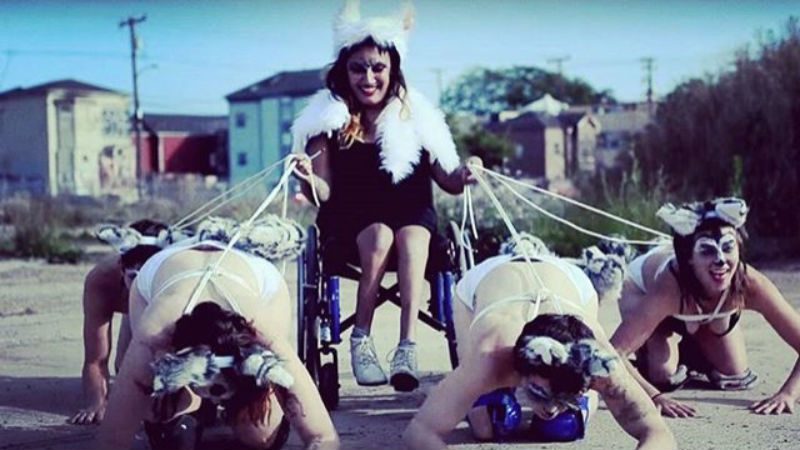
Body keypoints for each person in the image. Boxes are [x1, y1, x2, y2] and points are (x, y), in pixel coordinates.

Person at [291, 0, 479, 392]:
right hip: (350, 222)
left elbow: (448, 178)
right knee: (379, 235)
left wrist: (467, 171)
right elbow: (321, 193)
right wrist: (308, 177)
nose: (368, 77)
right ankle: (361, 339)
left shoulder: (417, 117)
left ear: (393, 70)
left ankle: (406, 347)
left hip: (412, 216)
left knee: (411, 236)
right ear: (344, 71)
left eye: (378, 67)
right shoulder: (328, 123)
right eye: (358, 68)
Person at [403, 236, 675, 449]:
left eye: (566, 396)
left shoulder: (596, 361)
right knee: (484, 425)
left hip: (570, 282)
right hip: (488, 281)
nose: (552, 408)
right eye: (543, 393)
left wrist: (650, 397)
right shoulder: (492, 355)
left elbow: (657, 432)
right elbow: (419, 431)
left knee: (565, 424)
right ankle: (445, 389)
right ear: (521, 366)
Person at [95, 216, 339, 450]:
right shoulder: (155, 334)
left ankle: (238, 402)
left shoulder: (262, 330)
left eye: (217, 391)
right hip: (164, 274)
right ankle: (187, 404)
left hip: (249, 277)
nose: (213, 395)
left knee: (260, 436)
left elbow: (323, 436)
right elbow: (111, 442)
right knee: (169, 435)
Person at [611, 197, 800, 417]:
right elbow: (614, 352)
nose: (721, 260)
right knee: (663, 375)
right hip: (643, 290)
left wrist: (789, 393)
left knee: (735, 374)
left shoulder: (751, 284)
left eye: (728, 247)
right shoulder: (668, 287)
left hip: (705, 307)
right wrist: (654, 396)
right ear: (688, 258)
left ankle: (693, 353)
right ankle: (654, 348)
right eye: (707, 251)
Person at [70, 219, 171, 425]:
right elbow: (95, 359)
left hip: (163, 306)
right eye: (134, 277)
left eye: (148, 278)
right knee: (125, 367)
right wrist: (97, 402)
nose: (140, 287)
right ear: (121, 267)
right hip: (130, 307)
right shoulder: (101, 281)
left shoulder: (174, 278)